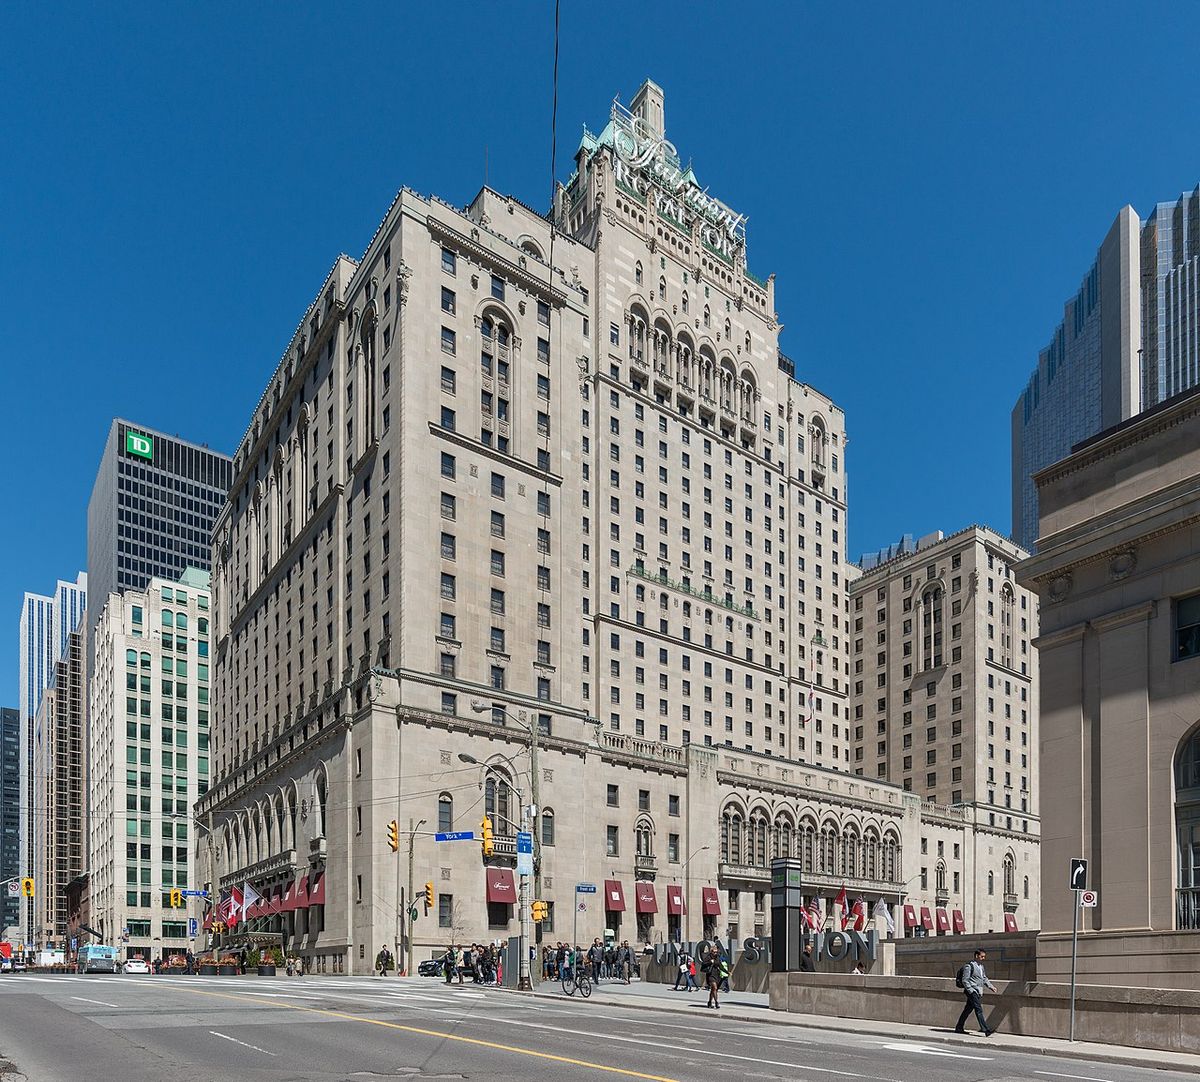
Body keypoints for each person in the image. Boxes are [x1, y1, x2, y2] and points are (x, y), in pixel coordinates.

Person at [954, 949, 996, 1036]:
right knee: (978, 1009)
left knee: (967, 1010)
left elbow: (984, 978)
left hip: (978, 991)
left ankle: (959, 1027)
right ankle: (986, 1030)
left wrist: (991, 987)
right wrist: (971, 990)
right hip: (972, 991)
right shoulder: (969, 966)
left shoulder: (981, 967)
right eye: (982, 956)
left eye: (984, 956)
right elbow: (965, 980)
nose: (983, 958)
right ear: (976, 956)